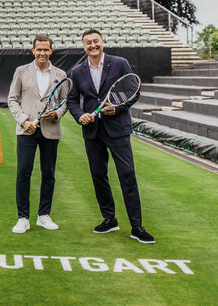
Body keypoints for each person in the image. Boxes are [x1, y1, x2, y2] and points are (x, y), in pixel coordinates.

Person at [66, 29, 155, 244]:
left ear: (102, 42)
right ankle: (109, 219)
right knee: (99, 176)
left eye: (96, 41)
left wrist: (118, 109)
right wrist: (80, 116)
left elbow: (134, 92)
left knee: (127, 175)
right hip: (92, 132)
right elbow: (71, 100)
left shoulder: (119, 63)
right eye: (88, 43)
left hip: (117, 129)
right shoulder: (77, 72)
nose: (92, 45)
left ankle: (137, 226)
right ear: (84, 46)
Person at [8, 35, 68, 234]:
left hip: (51, 131)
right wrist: (24, 120)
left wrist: (57, 113)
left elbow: (64, 103)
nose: (42, 53)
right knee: (23, 174)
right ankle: (23, 218)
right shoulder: (21, 71)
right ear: (32, 50)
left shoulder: (60, 74)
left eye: (46, 50)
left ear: (51, 51)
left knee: (48, 174)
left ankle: (44, 215)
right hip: (26, 130)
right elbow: (12, 100)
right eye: (39, 49)